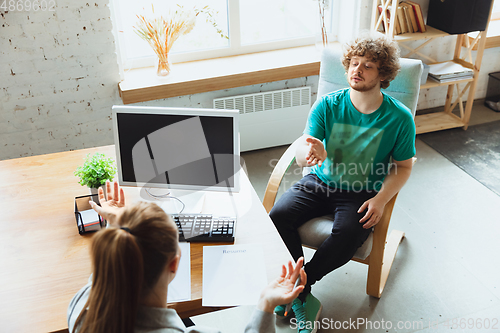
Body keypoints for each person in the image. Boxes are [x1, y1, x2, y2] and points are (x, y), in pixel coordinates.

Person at [270, 35, 416, 332]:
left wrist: (381, 199)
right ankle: (299, 287)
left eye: (368, 66)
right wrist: (310, 152)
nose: (356, 69)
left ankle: (301, 283)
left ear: (384, 74)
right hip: (319, 181)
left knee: (349, 233)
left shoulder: (399, 118)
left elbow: (403, 167)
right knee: (277, 216)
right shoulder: (327, 105)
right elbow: (302, 152)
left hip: (361, 193)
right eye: (353, 63)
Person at [67, 181, 307, 333]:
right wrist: (265, 305)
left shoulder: (80, 306)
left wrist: (116, 225)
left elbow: (105, 270)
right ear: (175, 264)